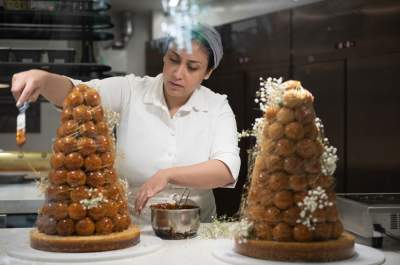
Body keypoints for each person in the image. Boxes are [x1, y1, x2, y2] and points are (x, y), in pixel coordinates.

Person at [11, 23, 241, 224]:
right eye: (173, 59)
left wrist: (168, 175)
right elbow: (76, 94)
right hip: (134, 225)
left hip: (196, 226)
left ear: (208, 72)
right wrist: (43, 78)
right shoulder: (131, 90)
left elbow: (226, 169)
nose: (178, 73)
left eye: (192, 67)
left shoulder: (217, 107)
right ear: (164, 56)